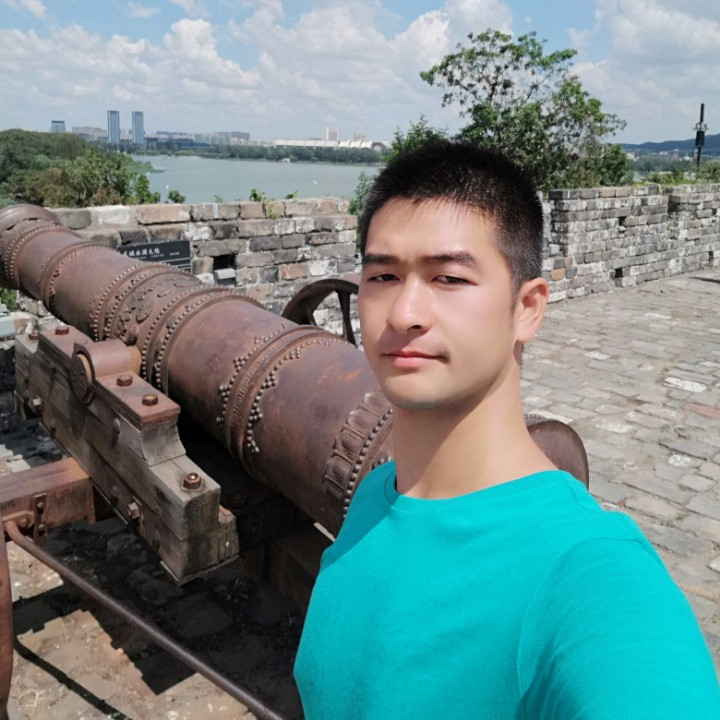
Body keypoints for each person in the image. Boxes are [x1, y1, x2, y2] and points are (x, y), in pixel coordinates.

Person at [294, 141, 720, 718]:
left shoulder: (589, 572)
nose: (403, 313)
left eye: (448, 278)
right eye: (384, 275)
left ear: (527, 308)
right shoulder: (376, 495)